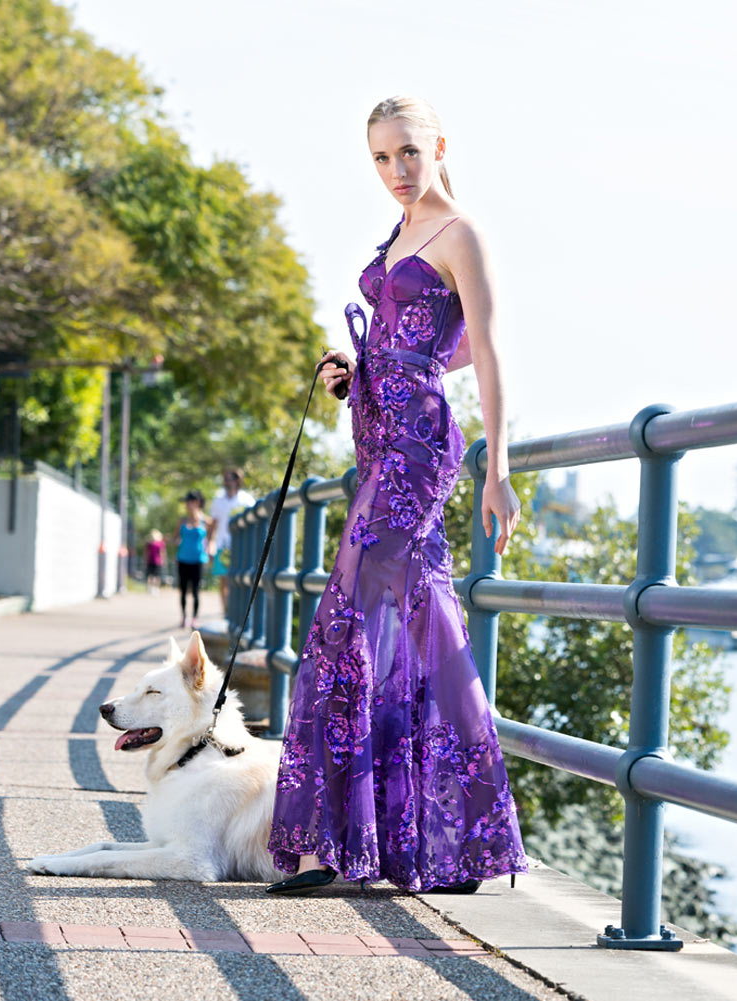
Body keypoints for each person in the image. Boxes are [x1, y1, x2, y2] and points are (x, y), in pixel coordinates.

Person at [265, 95, 527, 896]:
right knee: (408, 622)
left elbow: (484, 351)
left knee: (352, 618)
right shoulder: (401, 234)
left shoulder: (460, 233)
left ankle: (349, 845)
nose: (396, 171)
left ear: (439, 146)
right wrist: (358, 373)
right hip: (379, 436)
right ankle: (437, 845)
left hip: (417, 447)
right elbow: (420, 349)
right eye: (381, 158)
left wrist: (498, 468)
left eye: (408, 153)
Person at [208, 466, 256, 612]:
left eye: (231, 479)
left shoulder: (247, 500)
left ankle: (238, 610)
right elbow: (213, 524)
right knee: (223, 579)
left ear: (238, 480)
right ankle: (226, 611)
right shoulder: (218, 501)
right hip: (223, 545)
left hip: (242, 546)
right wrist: (209, 544)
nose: (228, 482)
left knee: (239, 579)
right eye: (226, 479)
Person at [176, 490, 209, 629]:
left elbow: (210, 540)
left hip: (198, 559)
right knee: (183, 590)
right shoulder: (182, 521)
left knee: (195, 590)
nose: (189, 504)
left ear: (198, 502)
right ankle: (184, 617)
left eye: (192, 501)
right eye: (188, 502)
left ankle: (195, 618)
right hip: (183, 558)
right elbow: (176, 537)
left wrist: (210, 551)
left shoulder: (206, 521)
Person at [144, 529, 167, 595]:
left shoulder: (160, 543)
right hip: (151, 561)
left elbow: (162, 552)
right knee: (151, 575)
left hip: (157, 561)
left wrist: (163, 560)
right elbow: (146, 553)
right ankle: (151, 588)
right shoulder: (149, 543)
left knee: (156, 576)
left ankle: (155, 588)